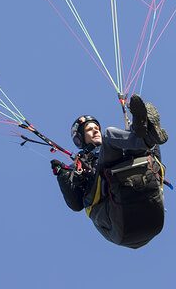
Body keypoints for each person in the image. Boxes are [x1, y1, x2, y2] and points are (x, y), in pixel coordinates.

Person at [50, 94, 169, 249]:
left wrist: (142, 133)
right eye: (89, 129)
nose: (95, 131)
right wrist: (62, 175)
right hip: (118, 224)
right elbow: (76, 204)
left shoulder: (119, 144)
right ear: (80, 138)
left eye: (96, 128)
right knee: (111, 134)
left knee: (134, 138)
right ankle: (146, 138)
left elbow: (155, 161)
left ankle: (147, 133)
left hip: (147, 213)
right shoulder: (81, 163)